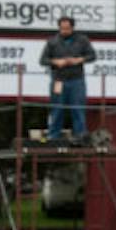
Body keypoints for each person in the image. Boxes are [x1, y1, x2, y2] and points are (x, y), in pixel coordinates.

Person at [39, 15, 97, 144]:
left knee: (78, 108)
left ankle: (80, 136)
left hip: (76, 80)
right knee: (57, 108)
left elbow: (92, 56)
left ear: (72, 28)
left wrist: (78, 60)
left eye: (67, 28)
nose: (64, 31)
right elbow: (43, 60)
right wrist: (56, 62)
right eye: (62, 28)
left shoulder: (82, 40)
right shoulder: (52, 41)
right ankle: (54, 136)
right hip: (58, 80)